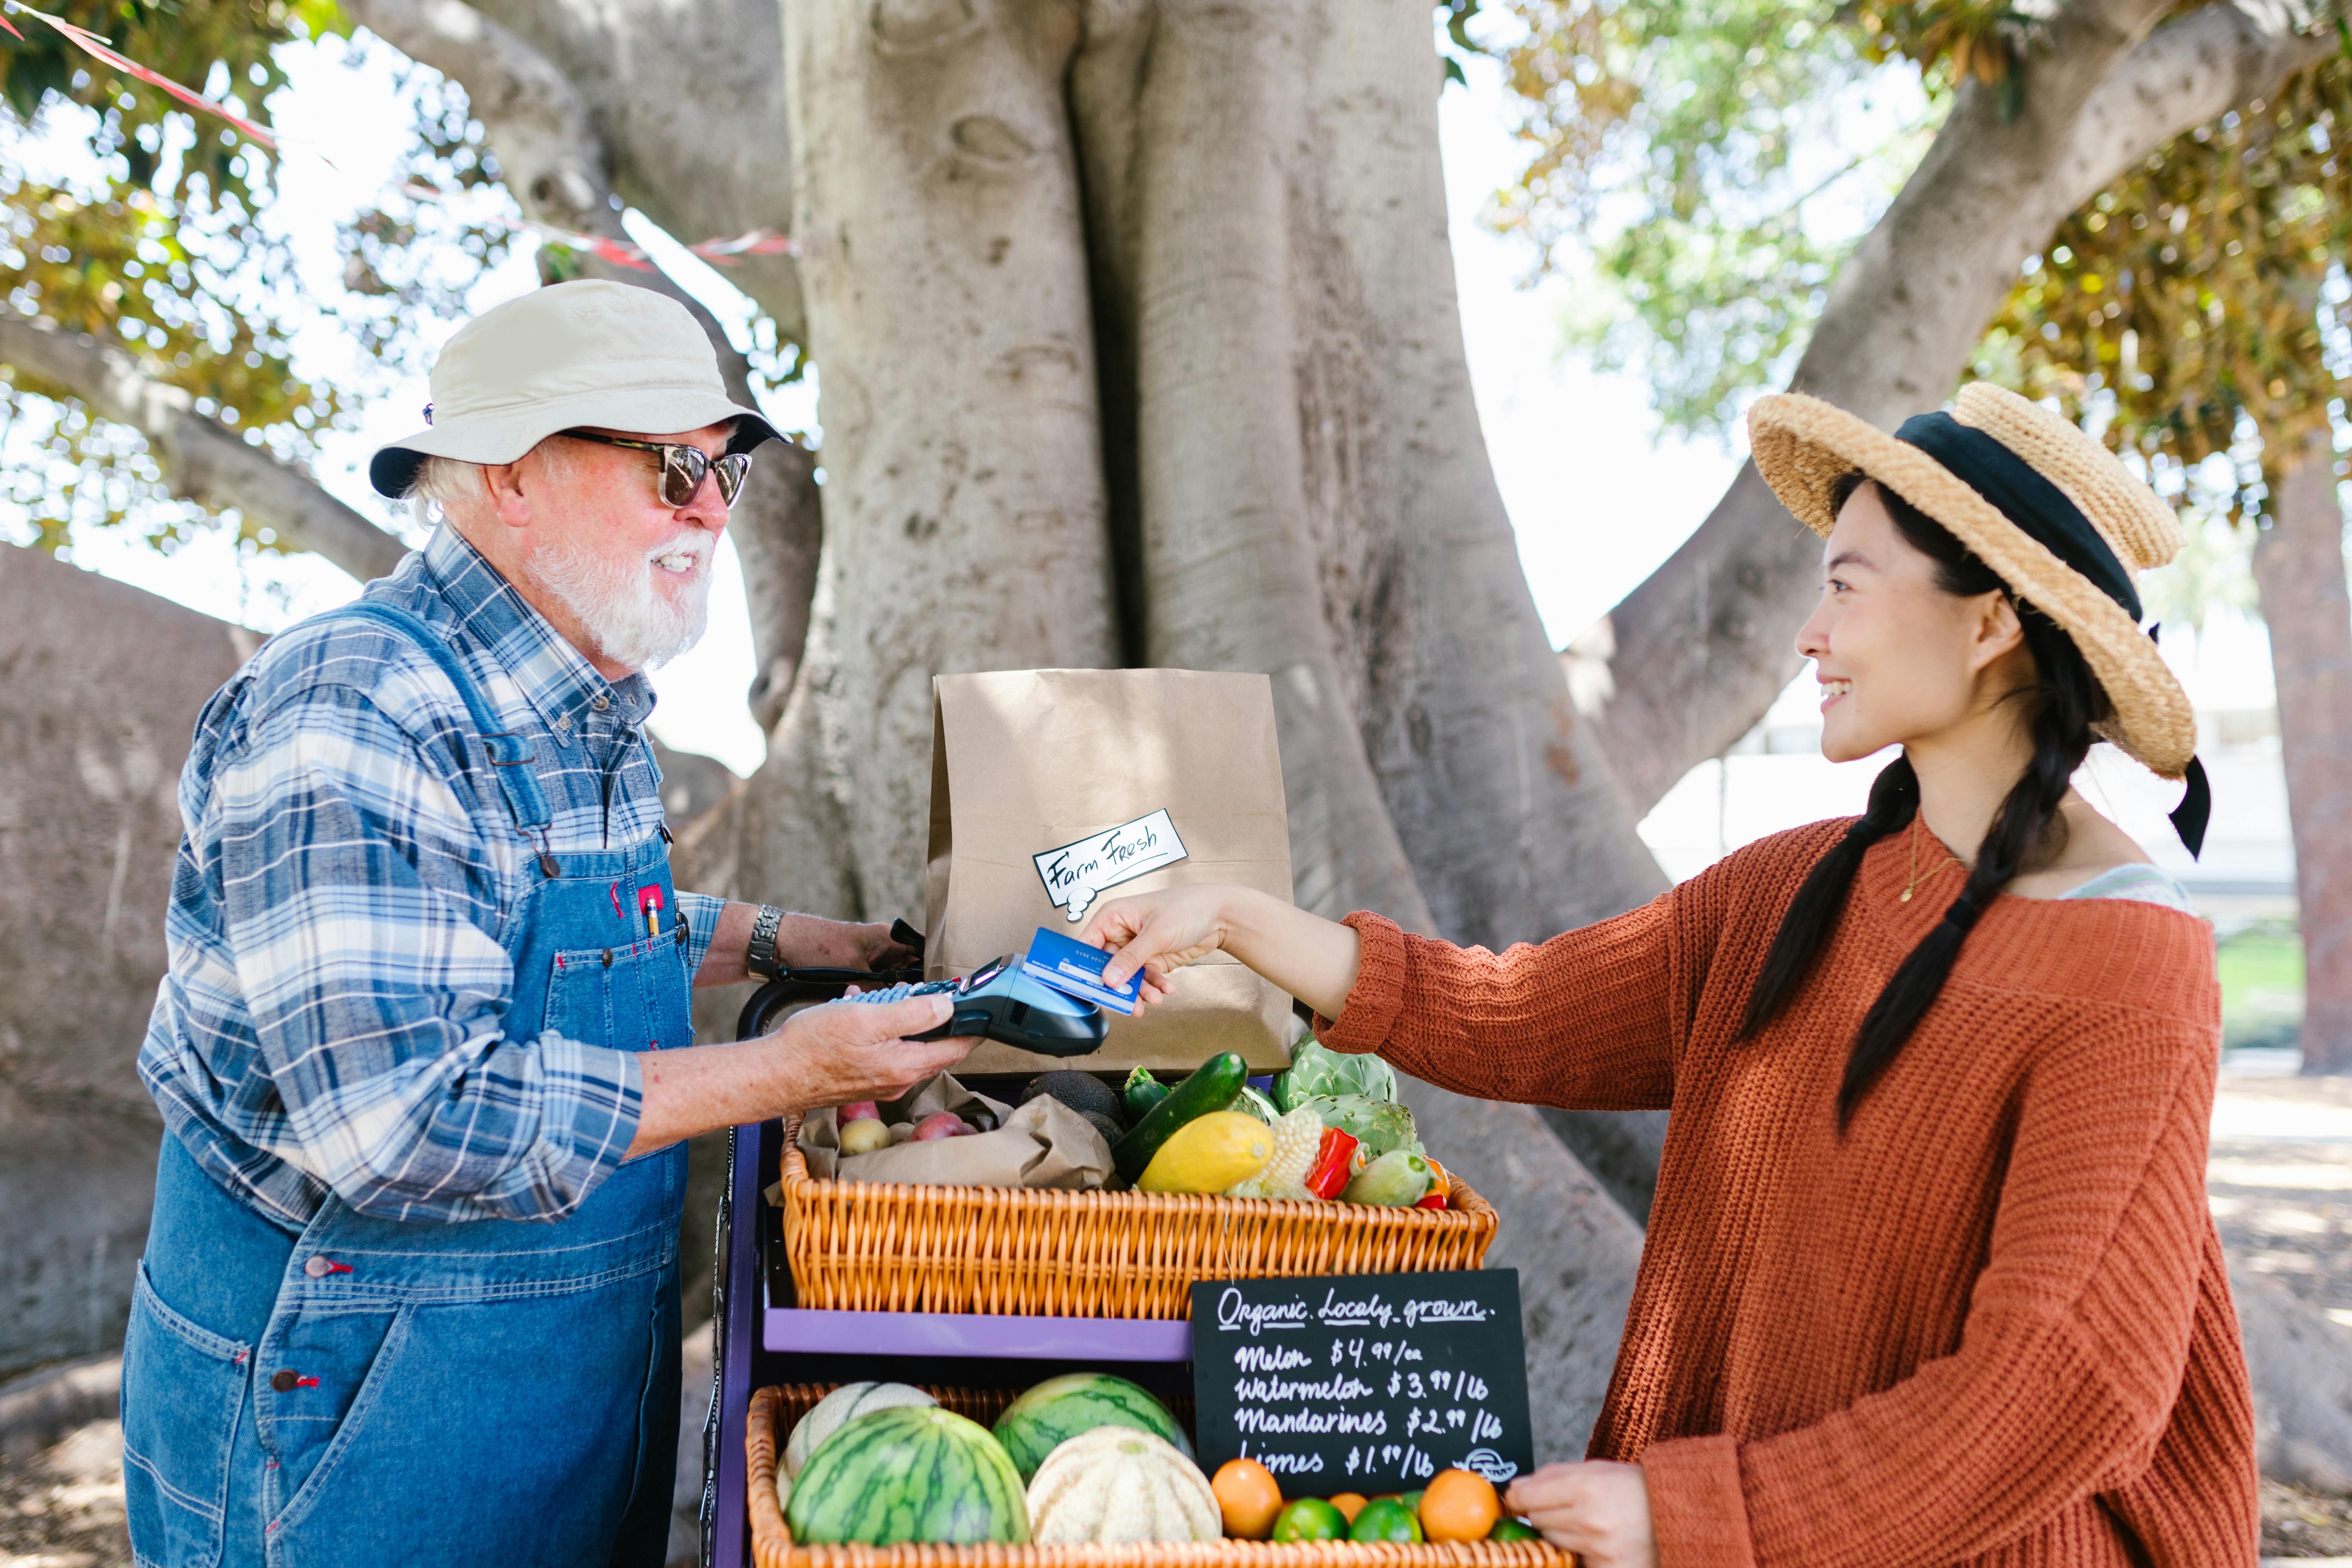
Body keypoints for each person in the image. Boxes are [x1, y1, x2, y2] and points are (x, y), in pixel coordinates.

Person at [1082, 383, 2256, 1566]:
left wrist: (1700, 1515)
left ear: (1990, 623)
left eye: (1844, 586)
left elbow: (2062, 1387)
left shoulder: (2126, 962)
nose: (1810, 633)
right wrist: (1236, 919)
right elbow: (1516, 1014)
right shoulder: (1792, 892)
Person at [124, 280, 972, 1568]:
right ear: (512, 477)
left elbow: (583, 926)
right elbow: (401, 1119)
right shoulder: (353, 705)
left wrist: (815, 947)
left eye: (724, 470)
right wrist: (793, 1069)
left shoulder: (584, 693)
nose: (708, 509)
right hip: (351, 1409)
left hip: (553, 1385)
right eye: (670, 467)